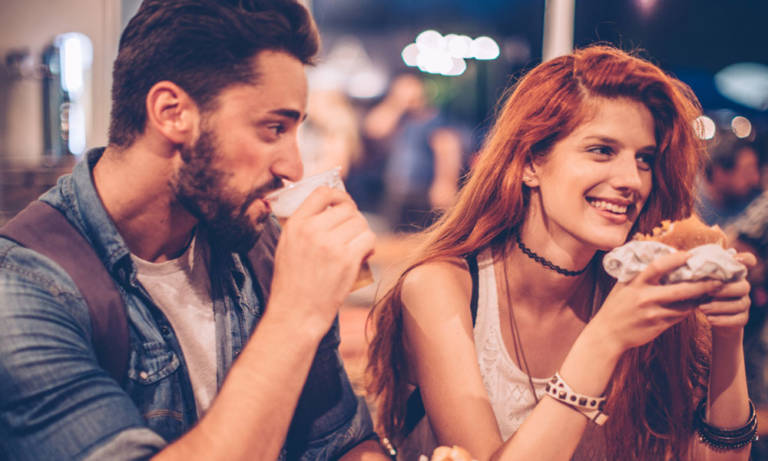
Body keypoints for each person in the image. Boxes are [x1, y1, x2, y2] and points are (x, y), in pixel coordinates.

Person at [0, 1, 388, 459]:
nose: (293, 167)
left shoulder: (258, 243)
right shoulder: (25, 287)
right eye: (272, 129)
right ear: (171, 112)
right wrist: (296, 313)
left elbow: (342, 441)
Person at [366, 45, 756, 460]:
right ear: (530, 162)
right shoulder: (442, 286)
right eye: (602, 150)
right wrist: (605, 338)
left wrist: (727, 337)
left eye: (644, 159)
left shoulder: (642, 287)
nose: (632, 180)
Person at [362, 73, 467, 232]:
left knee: (421, 237)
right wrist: (396, 104)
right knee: (394, 238)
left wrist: (445, 183)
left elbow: (448, 149)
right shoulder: (400, 118)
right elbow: (373, 130)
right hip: (397, 191)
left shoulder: (435, 119)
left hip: (424, 192)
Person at [695, 130, 762, 228]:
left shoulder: (741, 201)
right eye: (747, 173)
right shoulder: (688, 207)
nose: (756, 179)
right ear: (719, 173)